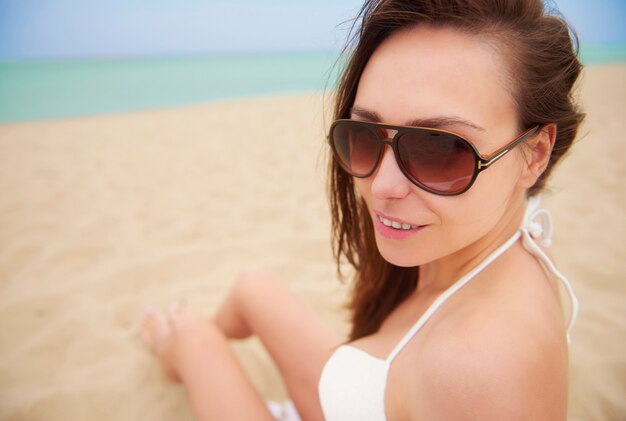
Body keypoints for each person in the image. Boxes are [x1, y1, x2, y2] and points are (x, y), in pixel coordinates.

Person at [139, 0, 584, 419]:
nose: (382, 187)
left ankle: (172, 341)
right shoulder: (506, 238)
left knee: (192, 336)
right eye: (365, 134)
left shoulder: (479, 368)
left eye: (439, 149)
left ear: (535, 154)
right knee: (251, 286)